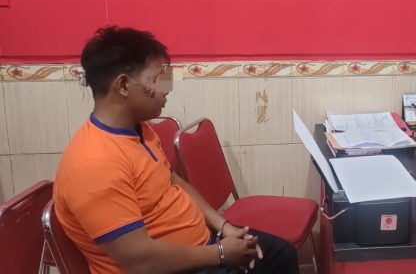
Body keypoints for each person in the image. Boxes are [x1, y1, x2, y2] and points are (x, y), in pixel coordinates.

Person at [54, 26, 299, 274]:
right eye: (157, 80)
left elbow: (172, 181)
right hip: (167, 268)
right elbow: (139, 261)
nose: (167, 89)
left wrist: (223, 227)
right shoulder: (94, 164)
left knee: (280, 255)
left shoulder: (140, 130)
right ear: (124, 86)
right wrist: (221, 254)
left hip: (204, 247)